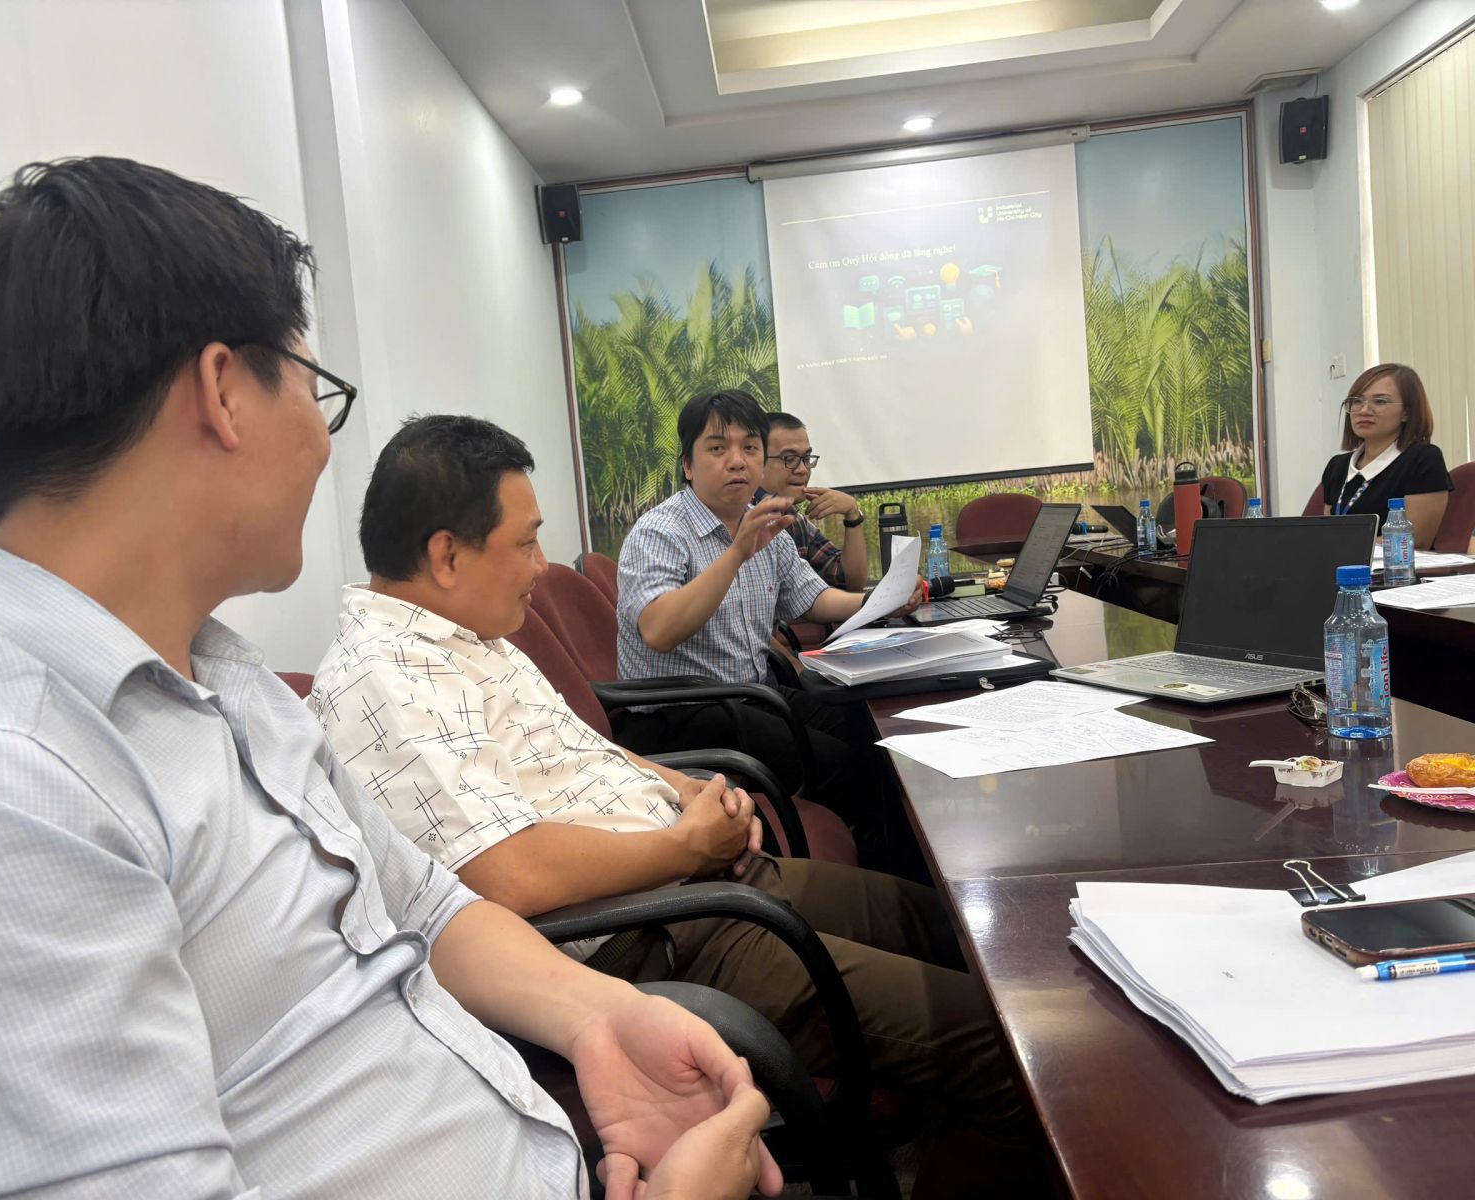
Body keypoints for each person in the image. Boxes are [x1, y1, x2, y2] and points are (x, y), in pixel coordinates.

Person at [0, 156, 777, 1200]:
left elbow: (423, 903)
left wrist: (599, 1017)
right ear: (225, 392)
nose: (319, 443)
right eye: (317, 390)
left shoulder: (230, 683)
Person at [308, 414, 1036, 1197]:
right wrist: (688, 847)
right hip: (651, 940)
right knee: (1012, 1055)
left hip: (696, 883)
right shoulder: (385, 680)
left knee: (941, 922)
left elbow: (583, 751)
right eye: (526, 543)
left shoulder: (473, 637)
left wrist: (680, 789)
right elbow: (507, 875)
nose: (541, 565)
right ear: (447, 555)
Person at [612, 391, 920, 813]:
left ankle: (888, 845)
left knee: (867, 730)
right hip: (677, 714)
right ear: (687, 465)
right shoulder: (659, 532)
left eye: (750, 448)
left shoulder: (763, 521)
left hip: (749, 696)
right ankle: (865, 848)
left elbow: (814, 599)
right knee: (838, 765)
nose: (737, 461)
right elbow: (659, 630)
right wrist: (737, 552)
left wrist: (881, 601)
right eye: (717, 448)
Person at [1320, 363, 1451, 546]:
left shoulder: (1423, 459)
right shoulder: (1337, 465)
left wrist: (1345, 548)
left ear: (1407, 412)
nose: (1363, 410)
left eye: (1380, 401)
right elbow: (1327, 532)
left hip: (1395, 564)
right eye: (1357, 401)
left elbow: (1414, 540)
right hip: (1341, 563)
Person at [758, 412, 868, 589]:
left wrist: (853, 514)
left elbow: (850, 581)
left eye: (807, 459)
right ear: (756, 461)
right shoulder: (738, 518)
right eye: (790, 459)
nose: (803, 469)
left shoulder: (795, 521)